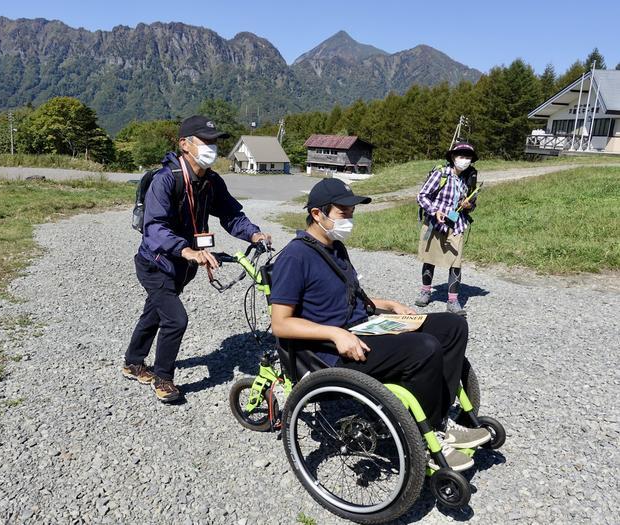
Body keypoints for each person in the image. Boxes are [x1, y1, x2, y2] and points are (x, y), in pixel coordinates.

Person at [270, 178, 489, 471]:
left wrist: (388, 305)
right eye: (343, 212)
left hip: (363, 328)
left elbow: (343, 298)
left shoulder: (334, 248)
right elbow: (280, 324)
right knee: (424, 347)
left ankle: (441, 416)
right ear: (317, 214)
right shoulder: (295, 256)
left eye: (351, 212)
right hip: (332, 351)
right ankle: (430, 433)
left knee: (452, 326)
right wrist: (335, 333)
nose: (349, 218)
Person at [124, 115, 271, 403]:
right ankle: (163, 378)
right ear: (184, 144)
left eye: (215, 142)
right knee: (176, 319)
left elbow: (231, 215)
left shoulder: (211, 181)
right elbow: (155, 228)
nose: (212, 147)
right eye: (205, 141)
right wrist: (188, 250)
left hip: (183, 266)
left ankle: (132, 362)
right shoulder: (167, 180)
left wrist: (254, 234)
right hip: (155, 263)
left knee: (155, 312)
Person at [415, 142, 479, 316]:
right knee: (430, 259)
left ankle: (452, 300)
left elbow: (473, 204)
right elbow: (422, 196)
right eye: (461, 156)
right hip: (435, 224)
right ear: (452, 157)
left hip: (456, 225)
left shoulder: (470, 178)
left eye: (468, 157)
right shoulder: (441, 174)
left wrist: (467, 205)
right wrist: (435, 211)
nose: (464, 160)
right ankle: (425, 291)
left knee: (455, 263)